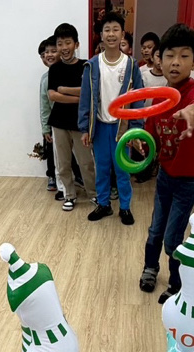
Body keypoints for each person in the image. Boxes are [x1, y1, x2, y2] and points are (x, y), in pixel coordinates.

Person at [137, 23, 194, 304]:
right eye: (169, 55)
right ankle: (150, 268)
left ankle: (177, 284)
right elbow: (151, 137)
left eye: (184, 56)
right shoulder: (160, 97)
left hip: (188, 180)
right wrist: (140, 144)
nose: (175, 62)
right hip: (165, 176)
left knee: (172, 236)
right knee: (155, 228)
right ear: (159, 59)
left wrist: (193, 111)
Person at [78, 12, 144, 226]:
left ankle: (125, 207)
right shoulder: (92, 65)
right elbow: (85, 98)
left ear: (122, 34)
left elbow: (138, 99)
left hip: (121, 127)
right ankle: (104, 204)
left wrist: (135, 129)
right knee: (102, 169)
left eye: (116, 29)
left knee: (123, 170)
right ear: (101, 35)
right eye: (107, 30)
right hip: (99, 126)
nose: (111, 34)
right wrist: (84, 128)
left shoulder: (131, 65)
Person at [47, 22, 96, 212]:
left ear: (76, 44)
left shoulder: (86, 66)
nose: (64, 47)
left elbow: (89, 92)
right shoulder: (54, 69)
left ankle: (93, 194)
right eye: (60, 44)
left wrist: (64, 89)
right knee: (63, 163)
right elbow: (53, 95)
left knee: (86, 162)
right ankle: (69, 195)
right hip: (59, 123)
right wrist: (79, 98)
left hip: (80, 123)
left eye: (68, 42)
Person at [133, 43, 168, 182]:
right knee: (142, 146)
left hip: (161, 119)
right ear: (152, 57)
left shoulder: (168, 78)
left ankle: (153, 167)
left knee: (156, 145)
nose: (160, 60)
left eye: (164, 57)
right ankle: (141, 170)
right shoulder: (144, 75)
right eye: (158, 56)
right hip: (144, 117)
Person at [38, 36, 58, 191]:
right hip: (53, 121)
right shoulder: (45, 79)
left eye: (53, 51)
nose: (49, 55)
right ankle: (52, 175)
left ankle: (77, 176)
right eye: (45, 53)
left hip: (71, 121)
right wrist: (45, 128)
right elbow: (44, 106)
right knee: (50, 149)